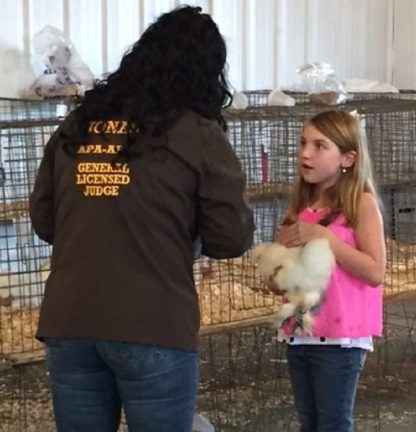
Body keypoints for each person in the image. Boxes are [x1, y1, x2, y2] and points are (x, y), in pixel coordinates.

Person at [29, 6, 254, 432]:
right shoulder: (198, 133)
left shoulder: (78, 125)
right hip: (153, 323)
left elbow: (44, 221)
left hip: (70, 319)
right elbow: (231, 237)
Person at [274, 110, 385, 432]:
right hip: (300, 333)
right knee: (310, 422)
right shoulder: (301, 209)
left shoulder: (361, 205)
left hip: (341, 339)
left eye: (320, 146)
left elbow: (375, 271)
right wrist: (278, 263)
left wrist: (326, 239)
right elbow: (284, 282)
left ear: (347, 158)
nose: (305, 153)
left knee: (334, 423)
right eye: (303, 143)